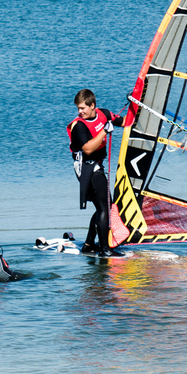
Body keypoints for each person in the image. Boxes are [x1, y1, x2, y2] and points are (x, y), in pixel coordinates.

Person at [68, 89, 125, 257]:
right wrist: (105, 131)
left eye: (83, 108)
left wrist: (137, 104)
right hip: (86, 167)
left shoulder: (104, 114)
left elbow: (126, 122)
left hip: (97, 166)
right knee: (104, 207)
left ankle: (88, 245)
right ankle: (104, 250)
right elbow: (88, 149)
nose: (80, 112)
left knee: (103, 206)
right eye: (78, 108)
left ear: (93, 105)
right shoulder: (78, 126)